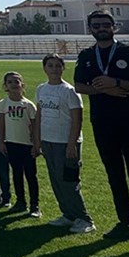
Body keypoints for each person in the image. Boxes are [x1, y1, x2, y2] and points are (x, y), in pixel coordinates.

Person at [74, 10, 129, 257]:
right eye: (96, 25)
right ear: (90, 28)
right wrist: (102, 91)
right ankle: (125, 225)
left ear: (114, 27)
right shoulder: (87, 55)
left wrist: (118, 83)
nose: (101, 28)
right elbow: (79, 85)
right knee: (115, 177)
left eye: (105, 24)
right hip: (102, 125)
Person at [34, 54, 95, 234]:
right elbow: (39, 116)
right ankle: (68, 215)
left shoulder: (69, 91)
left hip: (65, 142)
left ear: (63, 68)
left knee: (69, 181)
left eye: (58, 66)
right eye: (50, 66)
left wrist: (71, 144)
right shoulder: (41, 89)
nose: (54, 69)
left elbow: (77, 119)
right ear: (45, 68)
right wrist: (37, 141)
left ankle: (84, 219)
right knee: (56, 180)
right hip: (48, 141)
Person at [0, 72, 40, 217]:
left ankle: (35, 205)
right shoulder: (3, 104)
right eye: (10, 82)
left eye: (17, 81)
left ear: (22, 84)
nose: (14, 84)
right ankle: (21, 202)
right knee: (16, 174)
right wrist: (1, 142)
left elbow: (35, 127)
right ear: (5, 86)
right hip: (11, 144)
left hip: (27, 145)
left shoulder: (28, 105)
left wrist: (36, 145)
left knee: (31, 175)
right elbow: (1, 125)